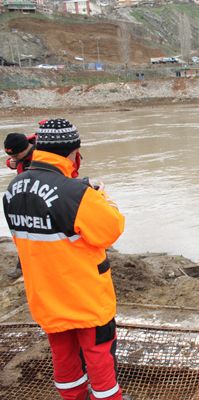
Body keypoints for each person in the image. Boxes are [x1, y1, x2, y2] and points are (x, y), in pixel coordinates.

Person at [2, 119, 126, 399]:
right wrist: (102, 195)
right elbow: (110, 230)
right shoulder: (78, 194)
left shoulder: (12, 190)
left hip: (46, 298)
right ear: (73, 151)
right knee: (100, 361)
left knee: (65, 361)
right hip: (86, 300)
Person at [3, 132, 37, 279]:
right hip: (24, 196)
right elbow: (13, 162)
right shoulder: (22, 153)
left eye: (16, 155)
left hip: (41, 198)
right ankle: (22, 265)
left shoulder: (40, 155)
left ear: (25, 148)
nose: (14, 158)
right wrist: (11, 162)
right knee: (21, 232)